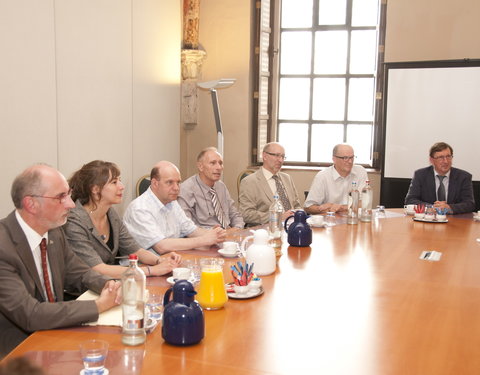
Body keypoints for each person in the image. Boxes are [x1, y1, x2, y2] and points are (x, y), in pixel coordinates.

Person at [0, 164, 120, 358]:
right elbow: (31, 314)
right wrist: (98, 306)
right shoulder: (3, 247)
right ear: (31, 204)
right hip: (16, 350)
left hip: (55, 336)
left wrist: (110, 285)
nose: (71, 204)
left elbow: (79, 273)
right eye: (60, 197)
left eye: (69, 195)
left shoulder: (54, 232)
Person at [64, 160, 181, 281]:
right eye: (114, 182)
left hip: (110, 282)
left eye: (119, 180)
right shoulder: (75, 222)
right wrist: (151, 270)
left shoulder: (110, 213)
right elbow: (97, 269)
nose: (121, 186)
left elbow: (135, 249)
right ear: (95, 189)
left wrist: (160, 260)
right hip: (83, 290)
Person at [124, 161, 226, 254]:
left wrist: (214, 234)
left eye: (178, 182)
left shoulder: (171, 202)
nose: (176, 188)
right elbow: (161, 246)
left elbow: (191, 231)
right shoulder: (139, 209)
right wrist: (204, 240)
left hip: (171, 260)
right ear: (155, 183)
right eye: (170, 182)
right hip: (143, 268)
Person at [178, 147, 244, 229]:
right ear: (200, 166)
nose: (219, 167)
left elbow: (235, 214)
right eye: (213, 163)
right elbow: (186, 226)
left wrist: (237, 228)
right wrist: (213, 234)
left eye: (220, 163)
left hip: (229, 234)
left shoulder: (221, 186)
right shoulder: (186, 189)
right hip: (205, 237)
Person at [239, 142, 301, 226]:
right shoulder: (249, 182)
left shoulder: (287, 178)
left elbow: (297, 205)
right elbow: (247, 214)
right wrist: (278, 217)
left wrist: (298, 213)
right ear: (264, 156)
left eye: (283, 156)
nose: (280, 160)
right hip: (267, 229)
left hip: (292, 226)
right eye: (276, 155)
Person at [404, 142, 475, 214]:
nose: (446, 161)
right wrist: (431, 207)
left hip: (454, 220)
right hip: (428, 219)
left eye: (448, 156)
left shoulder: (463, 177)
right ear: (431, 160)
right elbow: (410, 200)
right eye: (441, 157)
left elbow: (470, 204)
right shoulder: (420, 175)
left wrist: (449, 207)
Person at [305, 144, 368, 214]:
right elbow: (308, 207)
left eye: (352, 157)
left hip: (353, 220)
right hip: (329, 221)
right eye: (345, 158)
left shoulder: (360, 172)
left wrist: (341, 208)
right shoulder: (322, 176)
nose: (350, 161)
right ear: (334, 159)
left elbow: (365, 203)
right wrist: (326, 209)